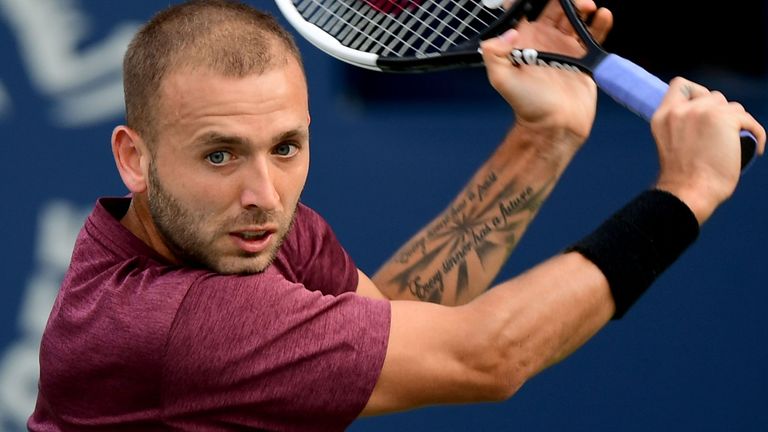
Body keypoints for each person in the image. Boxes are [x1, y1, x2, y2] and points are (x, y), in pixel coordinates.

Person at [28, 0, 765, 430]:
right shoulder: (173, 323)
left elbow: (395, 316)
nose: (265, 193)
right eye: (219, 155)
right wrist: (686, 193)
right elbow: (484, 356)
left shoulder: (241, 232)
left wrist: (545, 138)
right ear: (134, 159)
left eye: (286, 147)